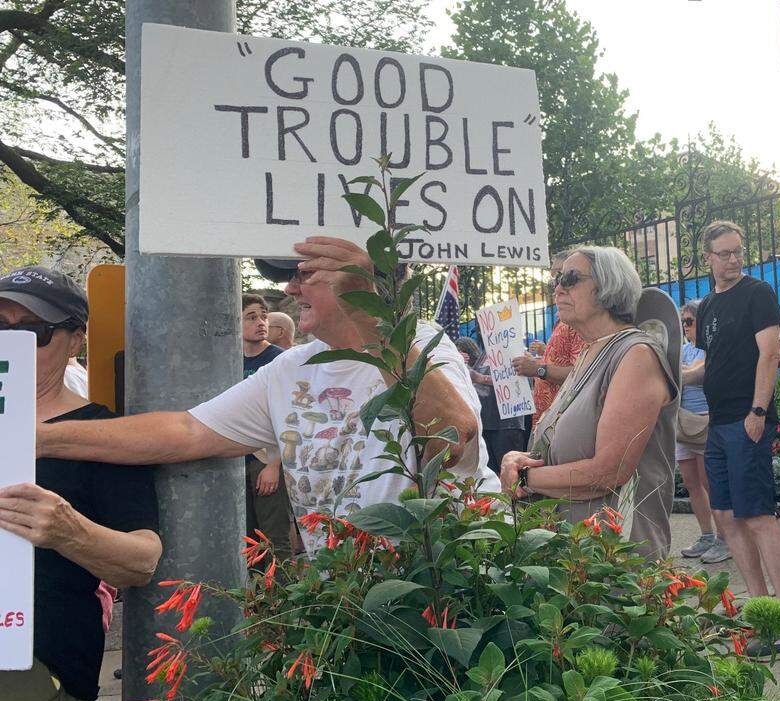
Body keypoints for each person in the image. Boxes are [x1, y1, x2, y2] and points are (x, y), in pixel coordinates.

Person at [36, 238, 499, 553]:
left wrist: (374, 319)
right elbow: (186, 431)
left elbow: (453, 438)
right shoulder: (291, 367)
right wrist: (38, 437)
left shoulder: (420, 341)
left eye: (305, 274)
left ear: (361, 280)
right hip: (354, 597)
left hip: (448, 583)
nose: (289, 289)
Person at [0, 267, 161, 701]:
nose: (11, 340)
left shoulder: (102, 434)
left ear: (75, 338)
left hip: (33, 665)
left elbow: (141, 562)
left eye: (33, 330)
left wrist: (69, 531)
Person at [500, 247, 679, 558]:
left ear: (609, 287)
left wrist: (524, 477)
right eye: (556, 279)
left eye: (571, 278)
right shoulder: (588, 353)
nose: (558, 288)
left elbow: (608, 473)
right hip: (575, 555)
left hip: (617, 561)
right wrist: (520, 458)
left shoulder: (636, 354)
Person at [691, 220, 780, 660]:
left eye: (738, 251)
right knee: (725, 516)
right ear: (707, 257)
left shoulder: (758, 294)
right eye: (724, 253)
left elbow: (768, 354)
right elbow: (709, 365)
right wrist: (666, 373)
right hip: (717, 423)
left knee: (758, 515)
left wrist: (759, 410)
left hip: (747, 420)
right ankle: (762, 613)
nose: (733, 259)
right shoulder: (705, 307)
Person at [240, 294, 295, 555]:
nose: (261, 322)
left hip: (267, 455)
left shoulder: (279, 359)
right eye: (252, 317)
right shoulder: (226, 358)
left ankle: (282, 594)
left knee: (274, 539)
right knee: (246, 540)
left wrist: (274, 465)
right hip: (235, 456)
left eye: (263, 316)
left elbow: (290, 415)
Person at [677, 299, 730, 563]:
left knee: (710, 482)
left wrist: (678, 373)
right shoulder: (684, 350)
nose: (685, 327)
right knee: (690, 481)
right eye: (683, 322)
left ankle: (724, 539)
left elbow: (700, 374)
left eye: (689, 321)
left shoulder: (710, 348)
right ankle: (706, 535)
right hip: (683, 422)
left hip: (704, 420)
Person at [514, 252, 585, 429]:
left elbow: (582, 374)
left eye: (564, 277)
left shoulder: (578, 322)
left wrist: (537, 368)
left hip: (563, 423)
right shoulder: (562, 321)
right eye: (554, 278)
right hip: (546, 421)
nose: (557, 286)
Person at [456, 336, 525, 476]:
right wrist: (460, 363)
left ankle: (514, 499)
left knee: (511, 474)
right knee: (492, 472)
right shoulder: (484, 354)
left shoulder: (514, 353)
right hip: (487, 422)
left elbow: (518, 381)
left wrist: (480, 378)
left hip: (507, 423)